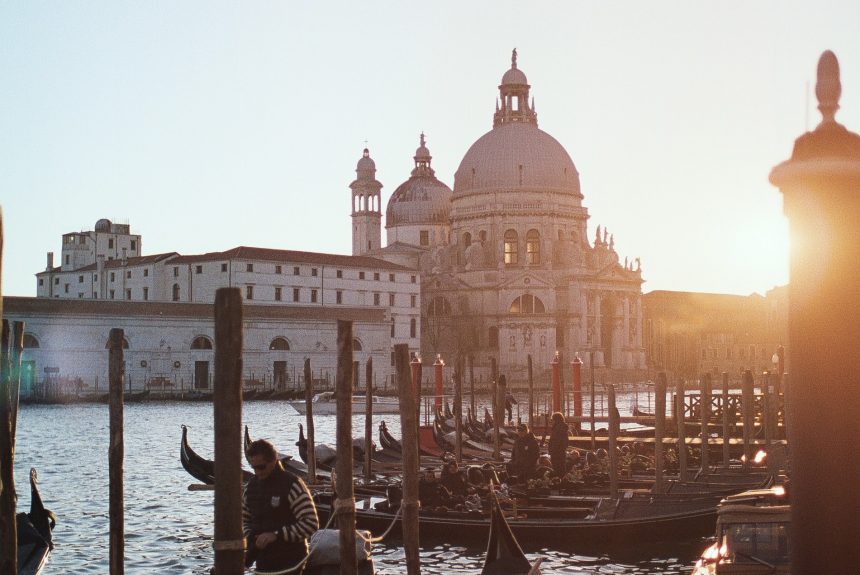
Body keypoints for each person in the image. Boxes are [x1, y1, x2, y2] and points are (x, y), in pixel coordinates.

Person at [243, 439, 319, 573]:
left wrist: (276, 535)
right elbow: (244, 520)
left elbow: (311, 523)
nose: (257, 472)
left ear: (273, 461)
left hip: (291, 561)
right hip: (263, 560)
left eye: (261, 467)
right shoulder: (250, 487)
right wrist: (252, 537)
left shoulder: (292, 484)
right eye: (254, 467)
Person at [547, 412, 570, 477]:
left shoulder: (557, 428)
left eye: (552, 419)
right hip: (561, 451)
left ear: (556, 420)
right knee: (561, 467)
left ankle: (558, 481)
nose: (552, 421)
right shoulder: (562, 427)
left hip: (556, 452)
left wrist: (551, 450)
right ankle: (562, 481)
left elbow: (555, 441)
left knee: (557, 467)